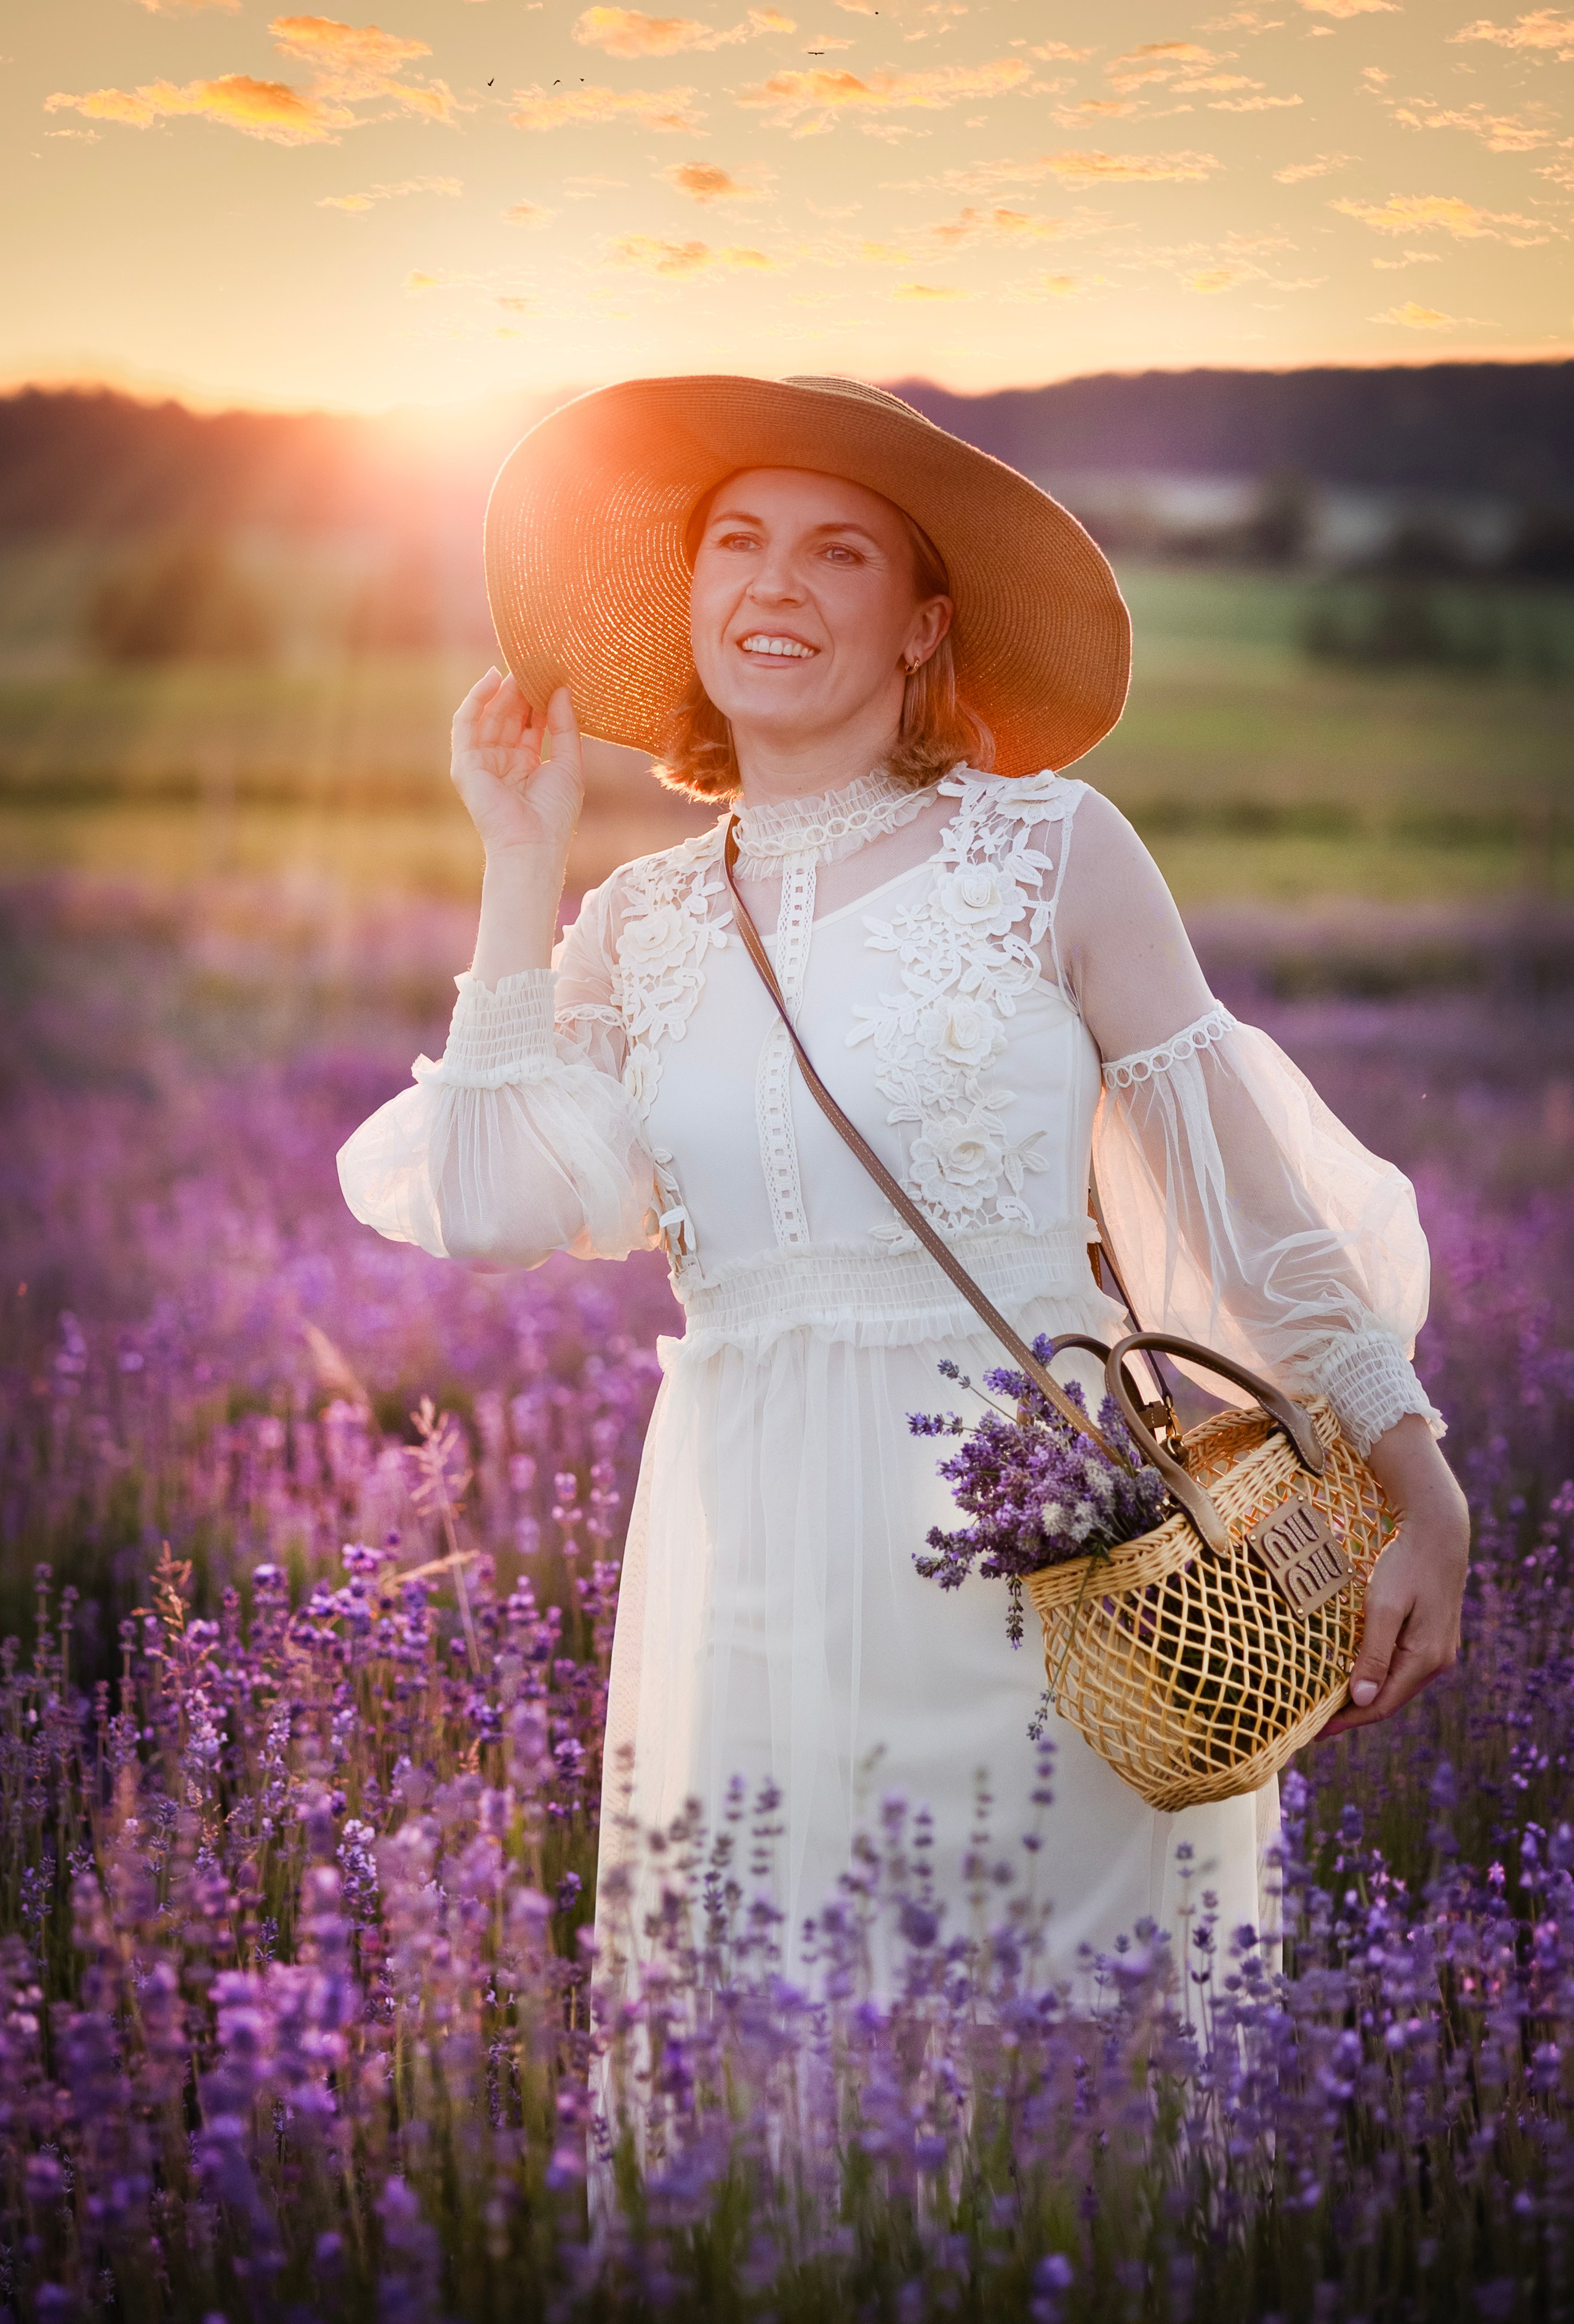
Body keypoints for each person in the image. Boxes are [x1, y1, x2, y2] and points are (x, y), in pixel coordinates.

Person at [338, 374, 1468, 1985]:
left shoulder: (1055, 851)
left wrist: (1419, 1480)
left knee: (1073, 2070)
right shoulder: (637, 926)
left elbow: (1245, 1208)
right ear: (692, 596)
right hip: (757, 1577)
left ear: (923, 626)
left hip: (1060, 1566)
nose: (775, 583)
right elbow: (493, 1207)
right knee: (779, 2062)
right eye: (738, 540)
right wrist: (522, 861)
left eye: (839, 552)